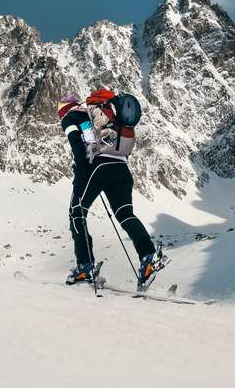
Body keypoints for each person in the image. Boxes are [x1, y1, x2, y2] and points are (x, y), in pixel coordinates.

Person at [58, 91, 162, 290]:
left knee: (76, 213)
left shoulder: (72, 117)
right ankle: (148, 257)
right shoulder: (99, 116)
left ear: (64, 108)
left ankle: (85, 266)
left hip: (99, 167)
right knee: (125, 214)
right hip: (121, 168)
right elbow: (93, 140)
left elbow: (80, 148)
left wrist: (80, 179)